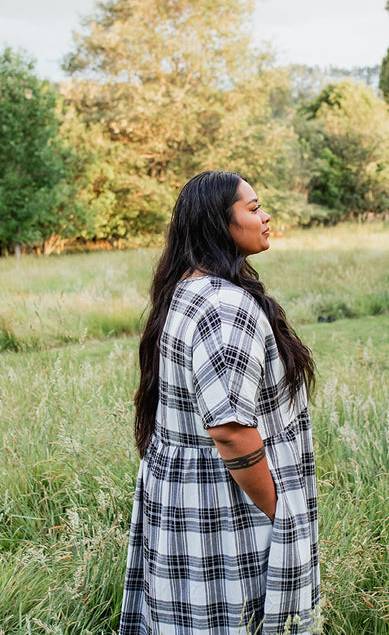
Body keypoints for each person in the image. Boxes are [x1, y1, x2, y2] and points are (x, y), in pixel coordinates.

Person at [119, 171, 320, 635]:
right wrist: (279, 511)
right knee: (239, 621)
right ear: (219, 224)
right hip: (227, 504)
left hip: (190, 497)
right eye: (252, 208)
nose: (266, 216)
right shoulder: (223, 307)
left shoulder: (187, 291)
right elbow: (229, 429)